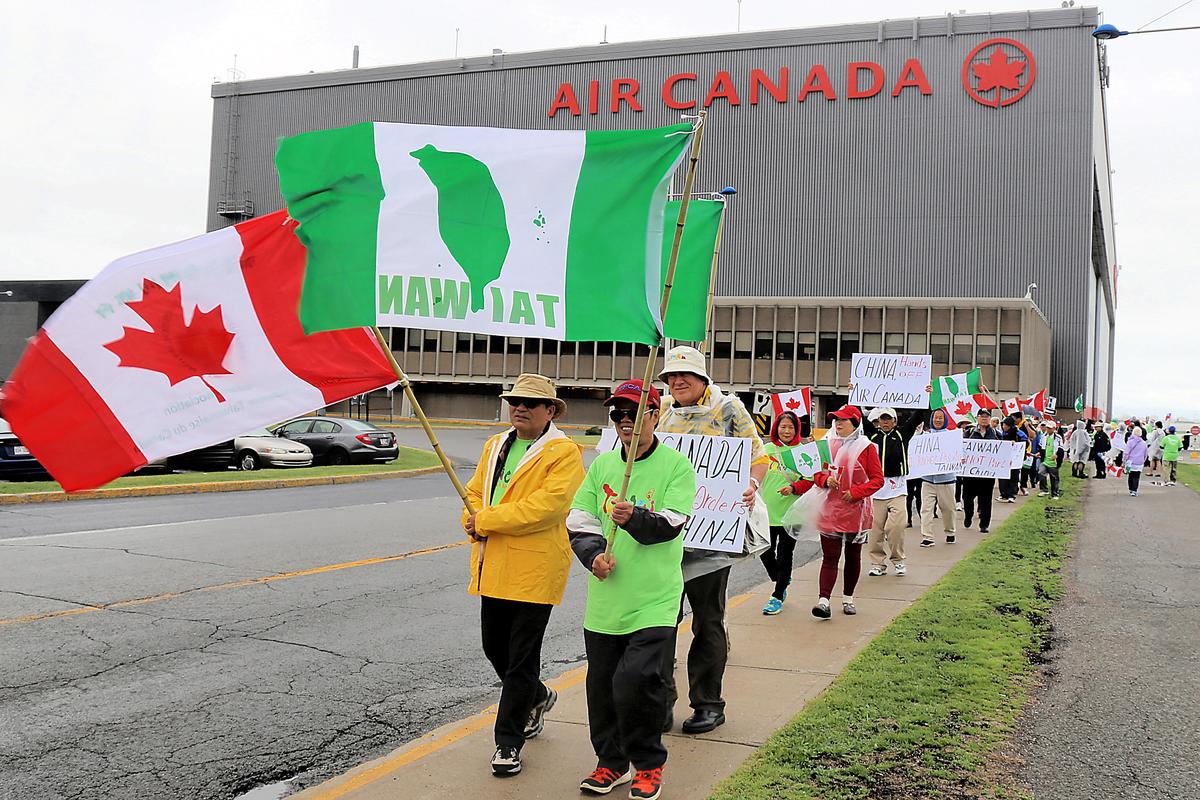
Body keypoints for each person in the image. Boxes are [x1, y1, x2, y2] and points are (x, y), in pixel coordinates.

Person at [568, 380, 696, 800]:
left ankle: (647, 765)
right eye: (617, 414)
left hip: (654, 600)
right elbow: (581, 519)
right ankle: (611, 762)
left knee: (640, 681)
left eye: (634, 413)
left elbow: (674, 522)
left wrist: (635, 517)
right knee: (602, 687)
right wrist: (592, 557)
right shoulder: (603, 465)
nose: (625, 421)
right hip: (606, 600)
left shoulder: (676, 466)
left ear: (655, 416)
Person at [462, 373, 585, 777]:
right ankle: (538, 695)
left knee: (520, 658)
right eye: (514, 401)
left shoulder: (564, 453)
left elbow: (547, 508)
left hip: (535, 569)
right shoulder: (495, 444)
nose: (520, 408)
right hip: (493, 564)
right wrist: (471, 516)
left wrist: (486, 519)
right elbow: (475, 492)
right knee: (494, 648)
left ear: (551, 411)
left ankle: (508, 743)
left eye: (530, 403)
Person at [656, 345, 769, 735]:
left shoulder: (728, 409)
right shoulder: (663, 412)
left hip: (710, 539)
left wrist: (752, 484)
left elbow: (758, 455)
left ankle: (707, 703)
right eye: (671, 376)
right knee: (659, 623)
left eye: (684, 375)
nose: (677, 381)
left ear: (703, 378)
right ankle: (661, 701)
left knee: (708, 621)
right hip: (667, 538)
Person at [795, 405, 884, 618]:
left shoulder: (867, 447)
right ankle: (823, 601)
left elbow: (877, 480)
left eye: (843, 420)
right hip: (831, 510)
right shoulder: (827, 445)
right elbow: (816, 473)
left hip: (856, 511)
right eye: (836, 420)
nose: (838, 423)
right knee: (830, 556)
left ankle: (848, 598)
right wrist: (825, 480)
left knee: (852, 557)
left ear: (855, 423)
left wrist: (856, 492)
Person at [859, 406, 923, 577]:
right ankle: (878, 563)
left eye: (889, 419)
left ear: (895, 421)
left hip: (897, 488)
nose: (885, 422)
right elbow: (857, 414)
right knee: (875, 530)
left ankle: (898, 559)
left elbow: (918, 416)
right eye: (882, 419)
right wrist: (854, 393)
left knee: (896, 526)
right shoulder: (872, 435)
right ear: (878, 421)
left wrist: (928, 398)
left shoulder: (903, 434)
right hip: (877, 489)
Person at [759, 411, 809, 615]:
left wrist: (794, 488)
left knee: (785, 554)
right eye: (783, 427)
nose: (786, 431)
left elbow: (812, 480)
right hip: (766, 512)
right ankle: (781, 577)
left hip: (793, 513)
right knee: (764, 550)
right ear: (776, 428)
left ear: (797, 429)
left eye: (790, 427)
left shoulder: (803, 451)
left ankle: (777, 595)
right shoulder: (765, 450)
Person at [918, 408, 958, 546]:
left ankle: (950, 532)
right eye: (936, 417)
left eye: (941, 417)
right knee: (926, 509)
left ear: (945, 420)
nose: (938, 420)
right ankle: (927, 536)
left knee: (948, 509)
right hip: (928, 480)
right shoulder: (925, 436)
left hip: (946, 480)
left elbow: (959, 453)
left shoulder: (952, 436)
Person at [962, 409, 998, 533]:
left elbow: (1002, 450)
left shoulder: (996, 434)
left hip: (987, 474)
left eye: (986, 416)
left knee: (986, 500)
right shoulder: (969, 432)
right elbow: (961, 448)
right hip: (970, 474)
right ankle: (968, 515)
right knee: (967, 498)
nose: (984, 418)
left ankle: (984, 524)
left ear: (990, 418)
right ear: (977, 418)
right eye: (981, 416)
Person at [997, 415, 1028, 502]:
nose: (1004, 427)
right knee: (1003, 477)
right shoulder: (1002, 433)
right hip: (1004, 458)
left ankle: (1012, 495)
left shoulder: (1018, 432)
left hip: (1015, 459)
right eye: (1003, 425)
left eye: (1006, 425)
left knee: (1013, 476)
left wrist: (1017, 443)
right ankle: (1003, 494)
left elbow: (1026, 441)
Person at [1038, 419, 1064, 500]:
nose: (1048, 429)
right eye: (1047, 428)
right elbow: (1041, 446)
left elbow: (1061, 448)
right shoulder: (1044, 436)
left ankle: (1055, 493)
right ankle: (1044, 489)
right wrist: (1040, 453)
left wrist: (1056, 455)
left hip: (1054, 462)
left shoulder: (1058, 437)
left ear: (1054, 429)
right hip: (1045, 460)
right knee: (1041, 473)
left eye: (1050, 428)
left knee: (1054, 478)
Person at [1125, 426, 1148, 497]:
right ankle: (1134, 490)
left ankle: (1131, 489)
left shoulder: (1130, 442)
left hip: (1130, 462)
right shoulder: (1144, 443)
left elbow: (1126, 452)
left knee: (1130, 476)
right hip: (1139, 462)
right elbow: (1145, 454)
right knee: (1136, 477)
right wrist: (1143, 460)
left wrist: (1124, 460)